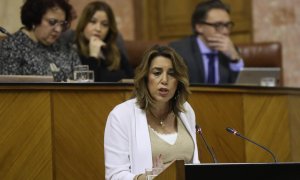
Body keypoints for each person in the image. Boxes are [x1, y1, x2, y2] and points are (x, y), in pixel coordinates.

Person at [104, 45, 200, 180]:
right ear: (145, 77)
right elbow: (114, 176)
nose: (164, 80)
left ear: (178, 81)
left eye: (172, 74)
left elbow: (195, 165)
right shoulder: (121, 115)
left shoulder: (186, 110)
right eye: (157, 73)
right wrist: (150, 177)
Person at [0, 0, 81, 82]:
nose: (58, 29)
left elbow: (81, 81)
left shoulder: (66, 48)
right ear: (35, 19)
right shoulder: (11, 47)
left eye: (62, 24)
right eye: (52, 22)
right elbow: (8, 91)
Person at [169, 0, 244, 84]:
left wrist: (234, 58)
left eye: (227, 25)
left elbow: (240, 87)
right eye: (218, 25)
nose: (225, 31)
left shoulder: (230, 50)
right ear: (199, 27)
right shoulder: (179, 51)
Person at [75, 1, 134, 82]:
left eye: (104, 24)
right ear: (83, 23)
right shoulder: (74, 51)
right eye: (93, 22)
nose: (98, 29)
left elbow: (134, 79)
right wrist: (93, 56)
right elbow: (87, 86)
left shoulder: (115, 51)